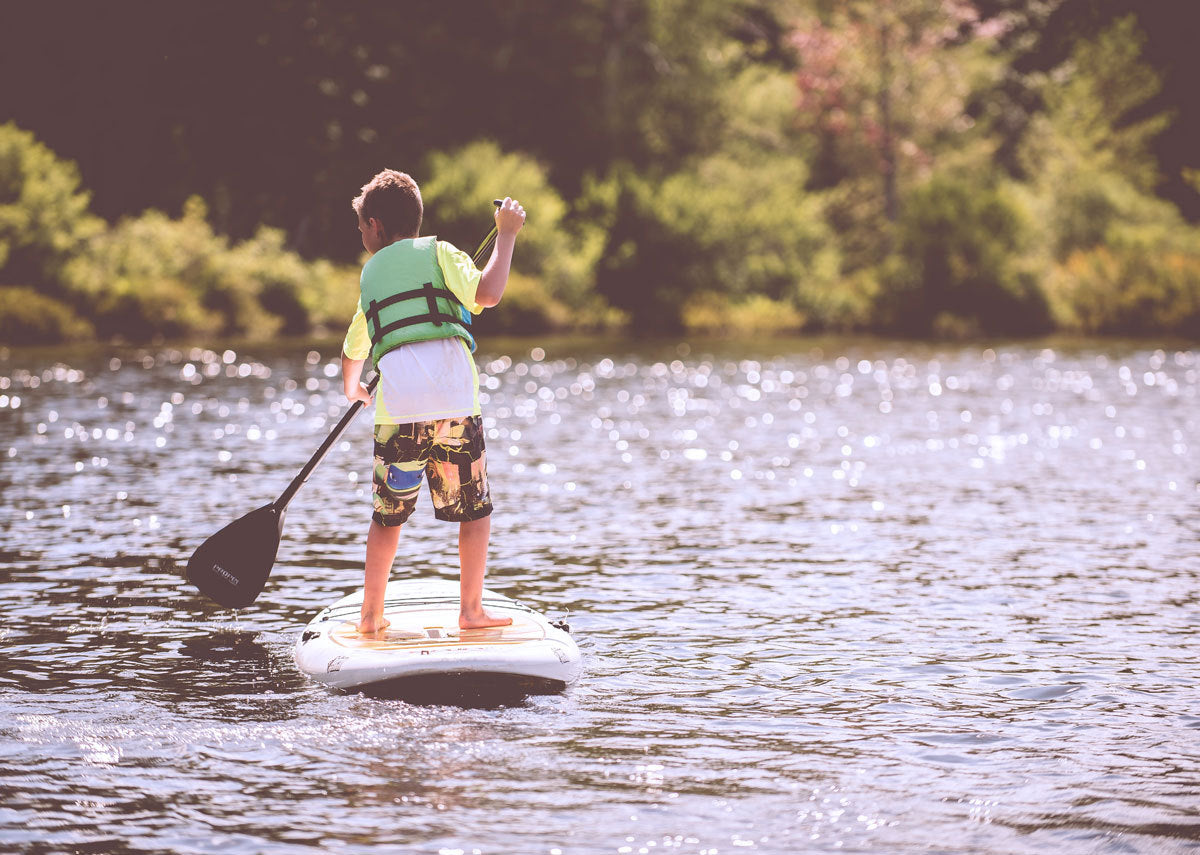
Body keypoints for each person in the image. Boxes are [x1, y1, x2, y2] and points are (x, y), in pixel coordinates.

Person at [340, 168, 525, 634]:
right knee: (475, 511)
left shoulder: (370, 275)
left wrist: (353, 388)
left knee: (387, 518)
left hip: (399, 415)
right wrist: (506, 237)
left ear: (376, 226)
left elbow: (354, 348)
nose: (361, 234)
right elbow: (489, 292)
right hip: (456, 408)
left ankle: (370, 616)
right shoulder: (441, 253)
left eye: (362, 225)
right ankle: (471, 611)